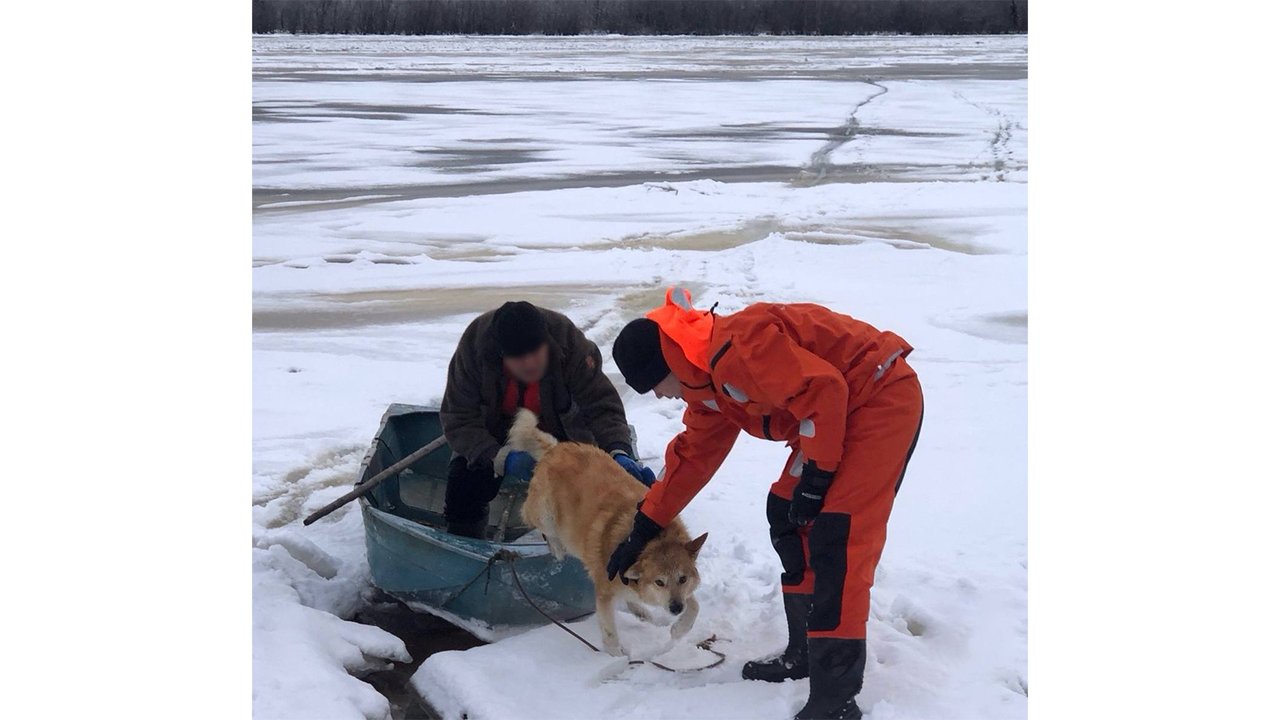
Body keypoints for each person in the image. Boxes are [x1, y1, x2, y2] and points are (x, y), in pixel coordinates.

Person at [607, 288, 923, 720]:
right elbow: (692, 458)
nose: (660, 397)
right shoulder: (706, 385)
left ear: (667, 365)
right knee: (787, 512)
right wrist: (643, 527)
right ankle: (805, 652)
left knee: (837, 535)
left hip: (879, 396)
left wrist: (819, 475)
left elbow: (825, 389)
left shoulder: (739, 349)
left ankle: (835, 700)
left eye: (654, 386)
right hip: (835, 417)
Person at [440, 301, 654, 538]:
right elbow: (458, 416)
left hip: (561, 435)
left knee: (582, 496)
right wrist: (501, 458)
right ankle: (466, 541)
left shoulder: (570, 343)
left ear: (548, 343)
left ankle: (573, 543)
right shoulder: (475, 346)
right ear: (501, 355)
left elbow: (601, 405)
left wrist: (618, 452)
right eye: (519, 358)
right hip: (495, 435)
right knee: (463, 484)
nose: (530, 363)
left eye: (535, 352)